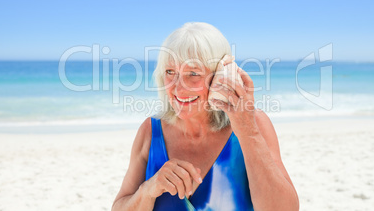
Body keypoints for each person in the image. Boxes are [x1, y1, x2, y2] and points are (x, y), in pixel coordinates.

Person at [112, 22, 299, 211]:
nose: (178, 88)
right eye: (170, 72)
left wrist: (247, 132)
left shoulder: (254, 124)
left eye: (193, 73)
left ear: (221, 74)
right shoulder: (150, 131)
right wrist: (147, 190)